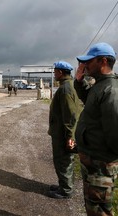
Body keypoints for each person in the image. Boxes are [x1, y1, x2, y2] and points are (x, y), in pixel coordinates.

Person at [74, 42, 118, 215]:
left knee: (100, 210)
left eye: (89, 61)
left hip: (101, 164)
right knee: (93, 205)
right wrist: (79, 81)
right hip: (93, 161)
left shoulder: (111, 91)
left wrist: (106, 161)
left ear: (103, 61)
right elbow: (90, 103)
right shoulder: (99, 85)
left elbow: (115, 132)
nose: (85, 65)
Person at [48, 61, 83, 199]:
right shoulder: (67, 86)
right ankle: (63, 184)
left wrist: (70, 136)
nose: (54, 74)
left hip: (62, 134)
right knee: (63, 161)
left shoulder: (65, 89)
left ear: (61, 73)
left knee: (63, 161)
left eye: (55, 71)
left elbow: (70, 115)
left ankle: (66, 190)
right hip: (61, 132)